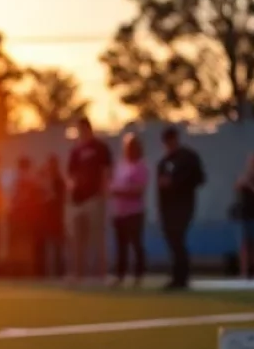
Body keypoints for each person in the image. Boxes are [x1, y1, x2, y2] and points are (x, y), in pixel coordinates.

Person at [157, 126, 206, 290]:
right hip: (168, 208)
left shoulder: (188, 158)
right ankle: (176, 275)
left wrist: (176, 183)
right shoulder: (164, 162)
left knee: (178, 238)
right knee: (172, 240)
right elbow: (160, 188)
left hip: (183, 205)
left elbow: (199, 178)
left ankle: (182, 276)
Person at [66, 117, 113, 282]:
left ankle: (101, 274)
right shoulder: (75, 151)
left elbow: (106, 170)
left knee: (97, 237)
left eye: (82, 129)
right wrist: (72, 192)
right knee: (78, 238)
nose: (80, 133)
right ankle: (78, 273)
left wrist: (103, 191)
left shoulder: (100, 148)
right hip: (78, 200)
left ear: (88, 129)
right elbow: (70, 175)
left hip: (95, 198)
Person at [109, 133, 149, 286]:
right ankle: (120, 275)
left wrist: (122, 191)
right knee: (121, 245)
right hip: (119, 212)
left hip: (134, 212)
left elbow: (139, 190)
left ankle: (139, 274)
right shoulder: (121, 166)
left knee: (136, 243)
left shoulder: (141, 167)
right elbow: (113, 184)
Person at [8, 156, 41, 276]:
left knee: (19, 243)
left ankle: (19, 270)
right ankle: (25, 270)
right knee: (25, 243)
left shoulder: (18, 178)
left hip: (20, 215)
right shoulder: (27, 179)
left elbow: (13, 197)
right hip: (24, 215)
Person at [36, 155, 66, 278]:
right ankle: (44, 272)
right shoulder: (44, 180)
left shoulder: (59, 181)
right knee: (45, 246)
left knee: (57, 246)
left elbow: (57, 198)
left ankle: (58, 272)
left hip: (56, 217)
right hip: (45, 218)